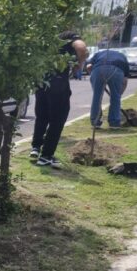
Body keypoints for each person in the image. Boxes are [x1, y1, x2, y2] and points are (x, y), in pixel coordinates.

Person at [30, 31, 88, 168]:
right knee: (57, 120)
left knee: (42, 116)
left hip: (41, 82)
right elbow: (82, 49)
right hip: (57, 84)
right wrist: (79, 64)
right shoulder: (72, 38)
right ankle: (46, 156)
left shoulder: (46, 38)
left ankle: (36, 147)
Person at [86, 49, 129, 129]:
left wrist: (93, 76)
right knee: (115, 98)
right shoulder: (122, 56)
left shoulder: (98, 54)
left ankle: (95, 122)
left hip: (98, 70)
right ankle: (114, 123)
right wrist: (119, 94)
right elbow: (125, 81)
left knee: (97, 97)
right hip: (116, 70)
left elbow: (88, 67)